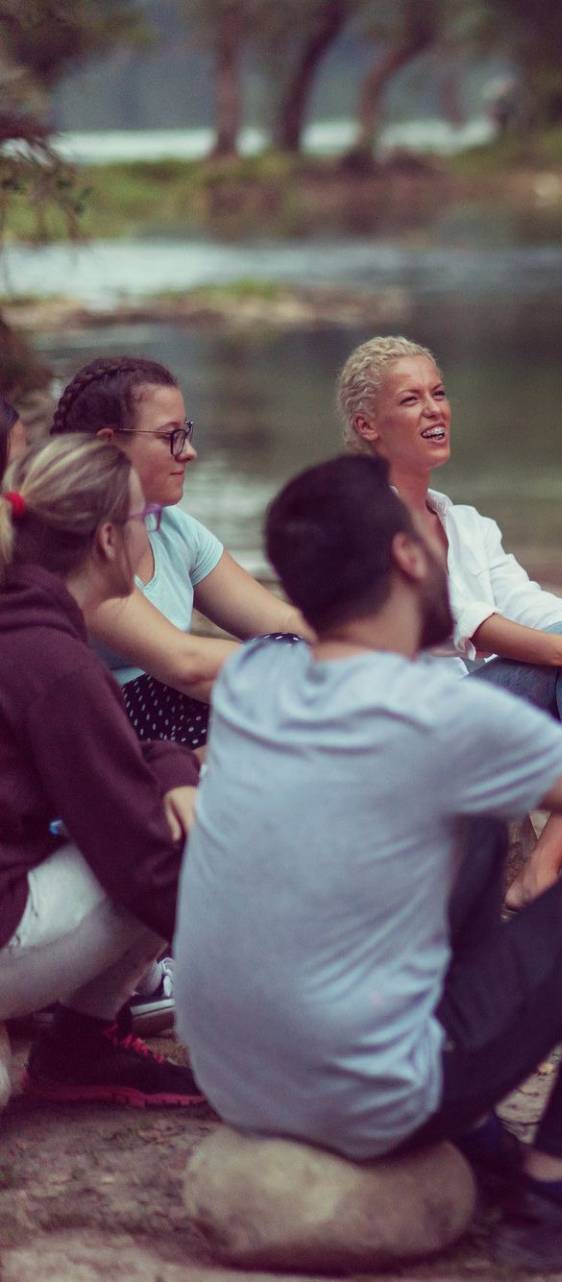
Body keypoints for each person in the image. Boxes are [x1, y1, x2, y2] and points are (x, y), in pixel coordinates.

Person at [173, 455, 562, 1273]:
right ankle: (561, 1188)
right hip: (369, 1100)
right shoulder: (440, 712)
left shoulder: (251, 676)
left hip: (235, 1081)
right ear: (407, 558)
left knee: (478, 827)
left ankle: (481, 1136)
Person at [332, 338, 562, 926]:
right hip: (407, 728)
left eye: (439, 393)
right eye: (411, 399)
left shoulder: (469, 525)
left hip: (477, 719)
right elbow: (451, 616)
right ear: (368, 425)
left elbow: (527, 603)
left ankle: (540, 870)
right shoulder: (355, 515)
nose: (434, 409)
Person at [0, 435, 204, 1108]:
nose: (150, 532)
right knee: (186, 835)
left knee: (170, 806)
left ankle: (73, 1050)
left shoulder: (26, 634)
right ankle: (79, 1050)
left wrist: (173, 766)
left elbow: (110, 761)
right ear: (109, 543)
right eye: (143, 520)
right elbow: (142, 862)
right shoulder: (55, 664)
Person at [49, 356, 311, 749]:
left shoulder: (170, 527)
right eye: (169, 435)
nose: (189, 451)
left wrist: (370, 649)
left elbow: (280, 619)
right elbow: (185, 666)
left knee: (293, 648)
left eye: (185, 432)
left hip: (170, 718)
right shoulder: (72, 544)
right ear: (107, 445)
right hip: (95, 738)